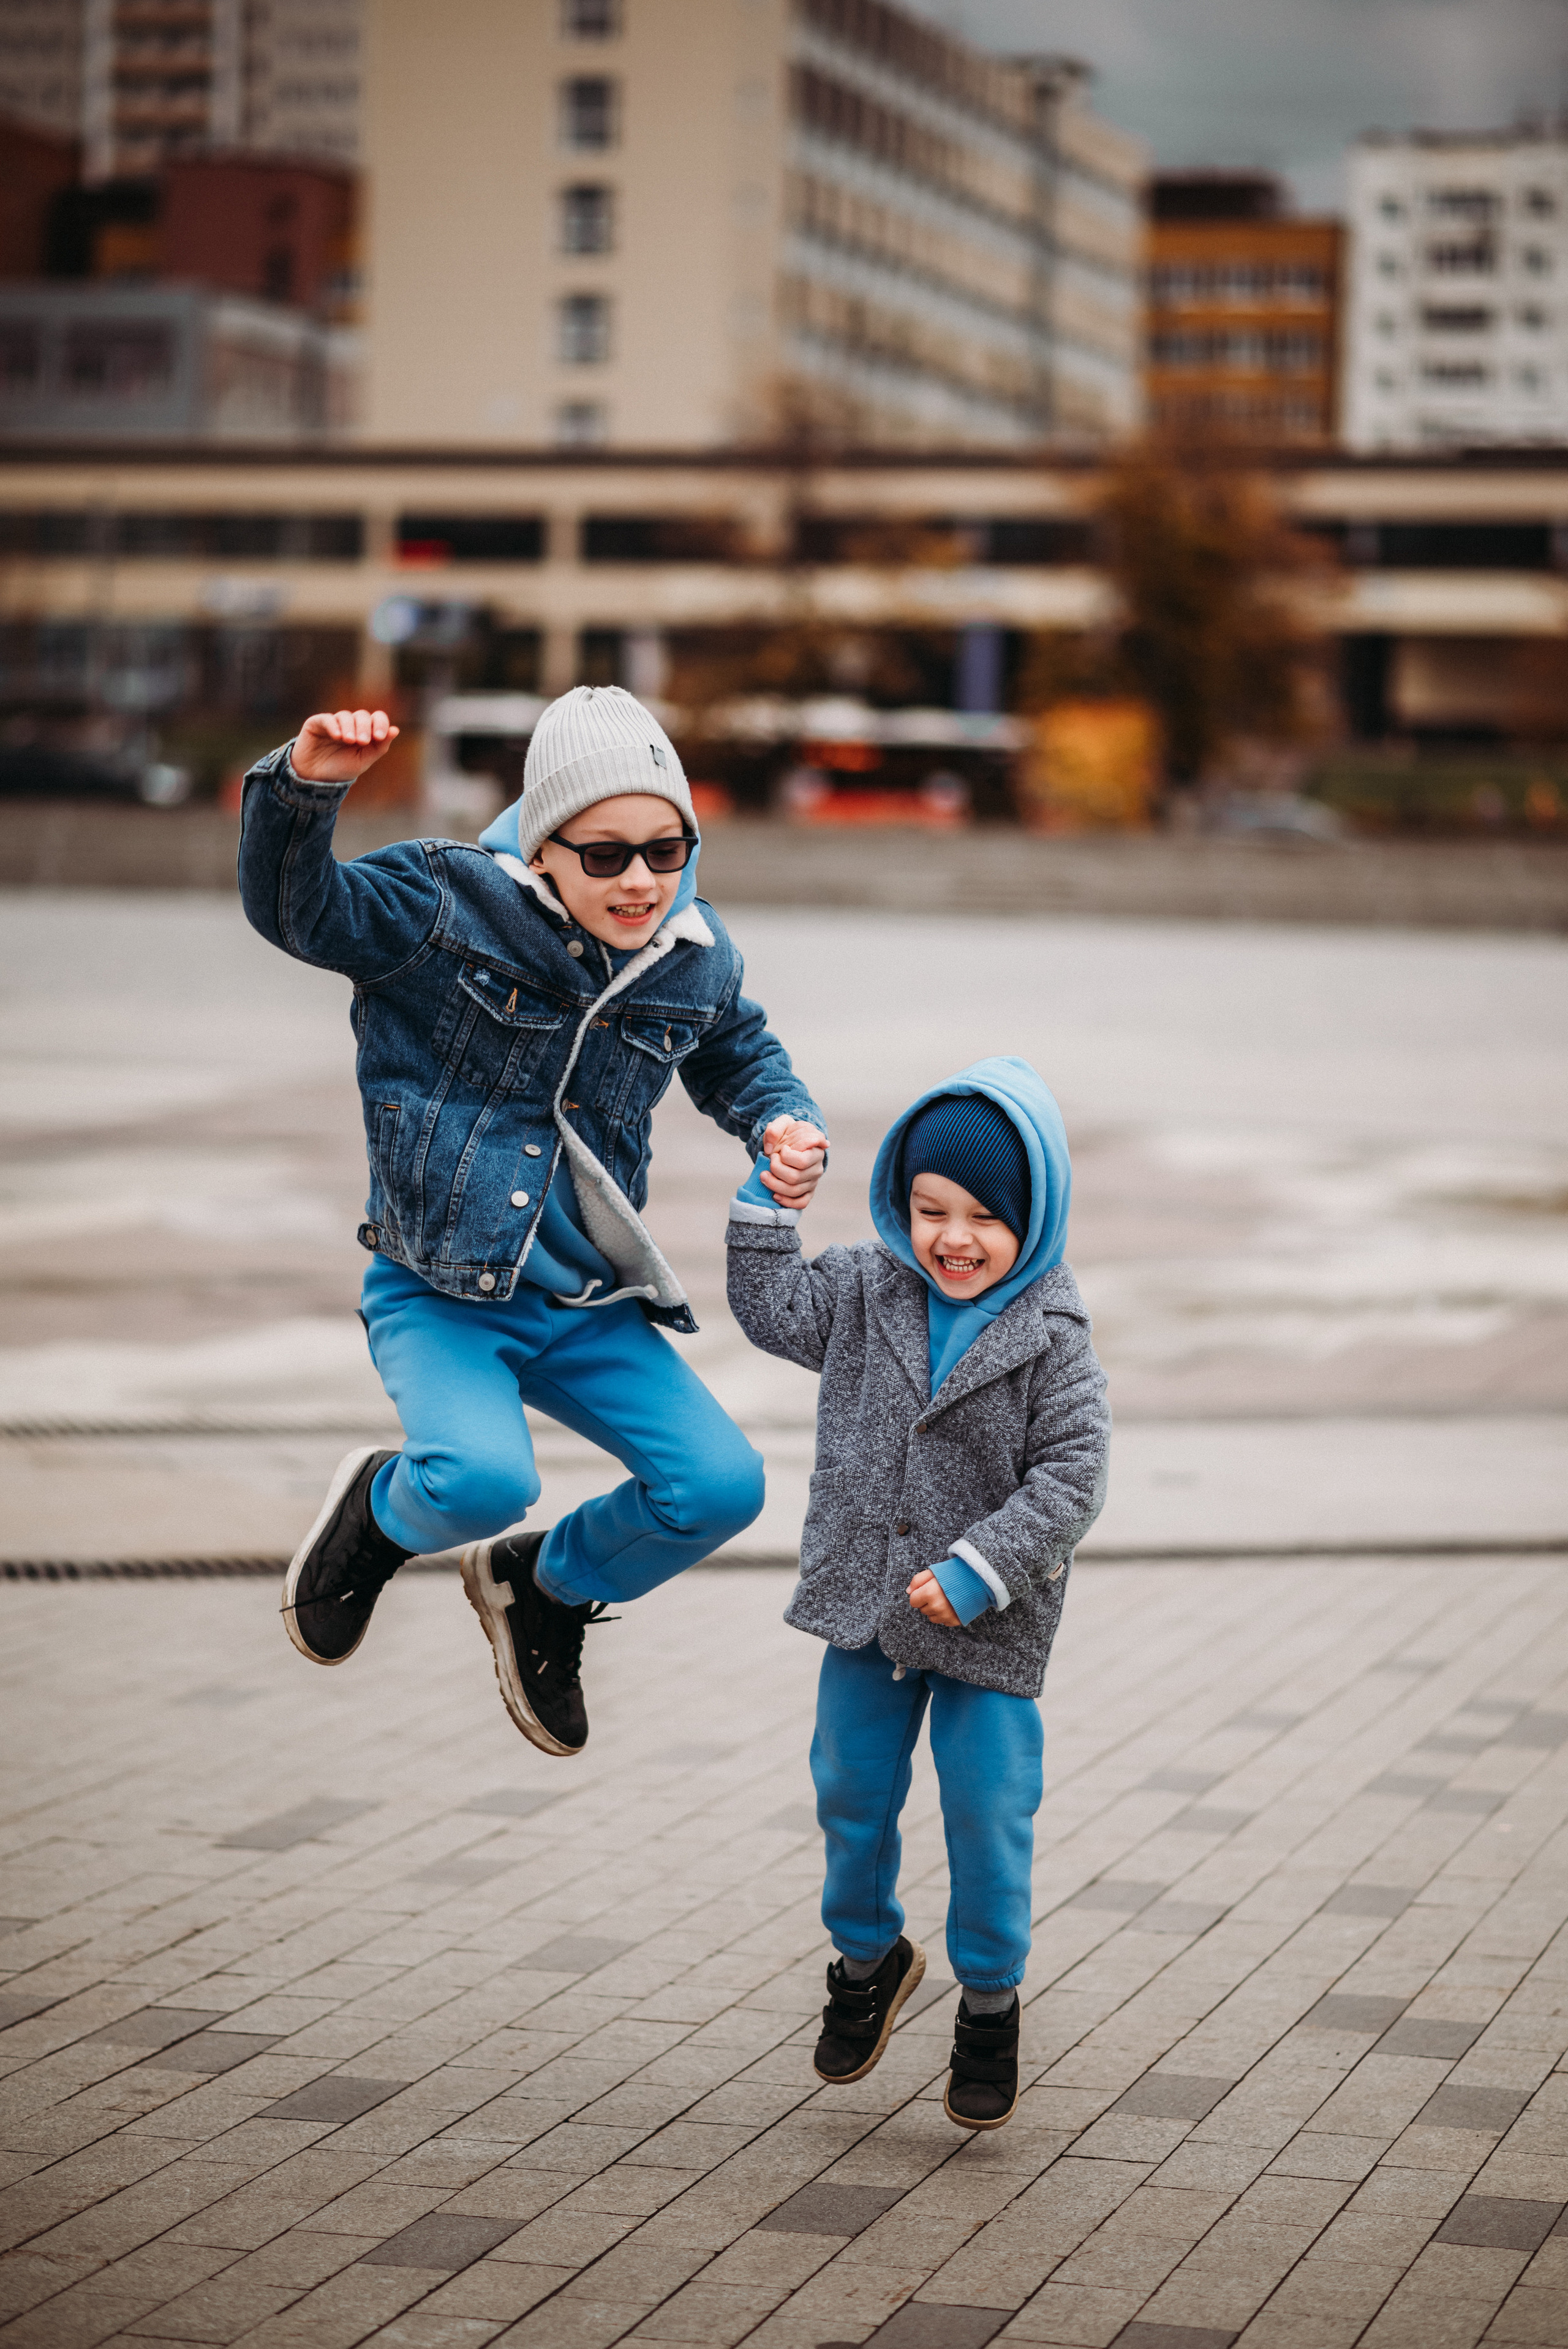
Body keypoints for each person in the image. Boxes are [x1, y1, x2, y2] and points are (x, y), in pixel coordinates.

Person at [238, 688, 827, 1757]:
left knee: (719, 1488)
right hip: (443, 1291)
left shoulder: (691, 948)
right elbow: (303, 913)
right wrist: (308, 788)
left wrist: (781, 1121)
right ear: (544, 843)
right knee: (483, 1480)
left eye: (667, 848)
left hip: (585, 1303)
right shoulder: (445, 903)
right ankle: (377, 1515)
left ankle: (541, 1585)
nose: (642, 880)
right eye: (605, 856)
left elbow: (735, 1046)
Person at [725, 1057, 1109, 2128]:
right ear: (901, 1202)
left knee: (988, 1813)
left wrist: (983, 1568)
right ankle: (867, 1958)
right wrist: (766, 1201)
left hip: (989, 1628)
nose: (954, 1237)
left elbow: (1074, 1477)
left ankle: (988, 2003)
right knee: (849, 1790)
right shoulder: (863, 1286)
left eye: (986, 1217)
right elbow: (768, 1307)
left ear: (1032, 1224)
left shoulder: (1055, 1336)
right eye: (932, 1208)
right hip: (865, 1606)